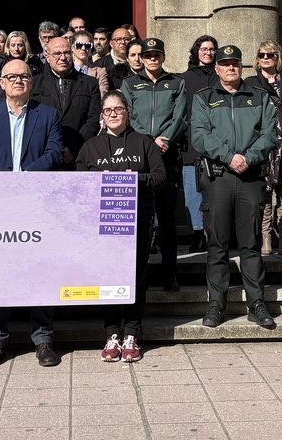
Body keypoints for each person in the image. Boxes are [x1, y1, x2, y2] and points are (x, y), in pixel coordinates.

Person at [0, 59, 64, 368]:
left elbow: (54, 152)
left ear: (32, 82)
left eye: (24, 76)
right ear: (1, 83)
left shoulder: (47, 114)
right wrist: (4, 181)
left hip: (37, 203)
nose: (18, 81)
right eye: (11, 76)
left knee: (40, 270)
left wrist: (24, 175)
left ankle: (43, 339)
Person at [191, 45, 278, 329]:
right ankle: (216, 304)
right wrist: (229, 157)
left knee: (251, 244)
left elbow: (269, 135)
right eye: (225, 64)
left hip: (251, 177)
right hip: (219, 178)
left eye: (235, 64)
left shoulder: (259, 97)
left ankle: (257, 303)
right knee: (217, 245)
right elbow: (200, 136)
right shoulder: (204, 98)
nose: (231, 68)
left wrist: (248, 158)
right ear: (216, 69)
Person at [77, 91, 167, 362]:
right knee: (108, 277)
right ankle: (112, 332)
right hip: (104, 225)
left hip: (137, 221)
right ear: (102, 116)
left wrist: (135, 180)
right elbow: (78, 184)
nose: (113, 114)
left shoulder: (143, 143)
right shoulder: (90, 146)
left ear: (128, 112)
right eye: (108, 110)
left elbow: (160, 177)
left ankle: (131, 332)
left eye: (118, 109)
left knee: (136, 276)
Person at [121, 38, 188, 290]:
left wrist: (165, 138)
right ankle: (137, 275)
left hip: (166, 155)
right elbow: (127, 115)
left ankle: (169, 273)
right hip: (139, 155)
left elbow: (180, 117)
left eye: (156, 55)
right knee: (137, 218)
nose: (151, 59)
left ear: (162, 57)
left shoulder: (176, 83)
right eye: (147, 55)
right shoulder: (129, 84)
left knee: (166, 217)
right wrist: (147, 142)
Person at [246, 40, 282, 256]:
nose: (266, 58)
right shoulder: (250, 83)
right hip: (263, 144)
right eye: (262, 55)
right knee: (266, 193)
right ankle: (266, 238)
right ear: (257, 59)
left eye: (271, 54)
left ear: (279, 58)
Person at [31, 36, 100, 167]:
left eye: (67, 53)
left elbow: (93, 120)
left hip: (79, 155)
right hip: (43, 156)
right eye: (57, 53)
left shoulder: (90, 84)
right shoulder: (34, 84)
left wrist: (73, 148)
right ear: (47, 55)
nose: (63, 58)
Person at [180, 35, 218, 253]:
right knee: (192, 193)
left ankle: (213, 233)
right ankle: (197, 234)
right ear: (196, 52)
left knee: (214, 193)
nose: (208, 53)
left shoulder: (220, 75)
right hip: (190, 144)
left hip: (216, 142)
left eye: (212, 49)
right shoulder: (184, 79)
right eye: (203, 49)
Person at [93, 26, 135, 92]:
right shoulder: (99, 65)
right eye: (118, 39)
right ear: (111, 43)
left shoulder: (138, 62)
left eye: (126, 39)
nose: (123, 42)